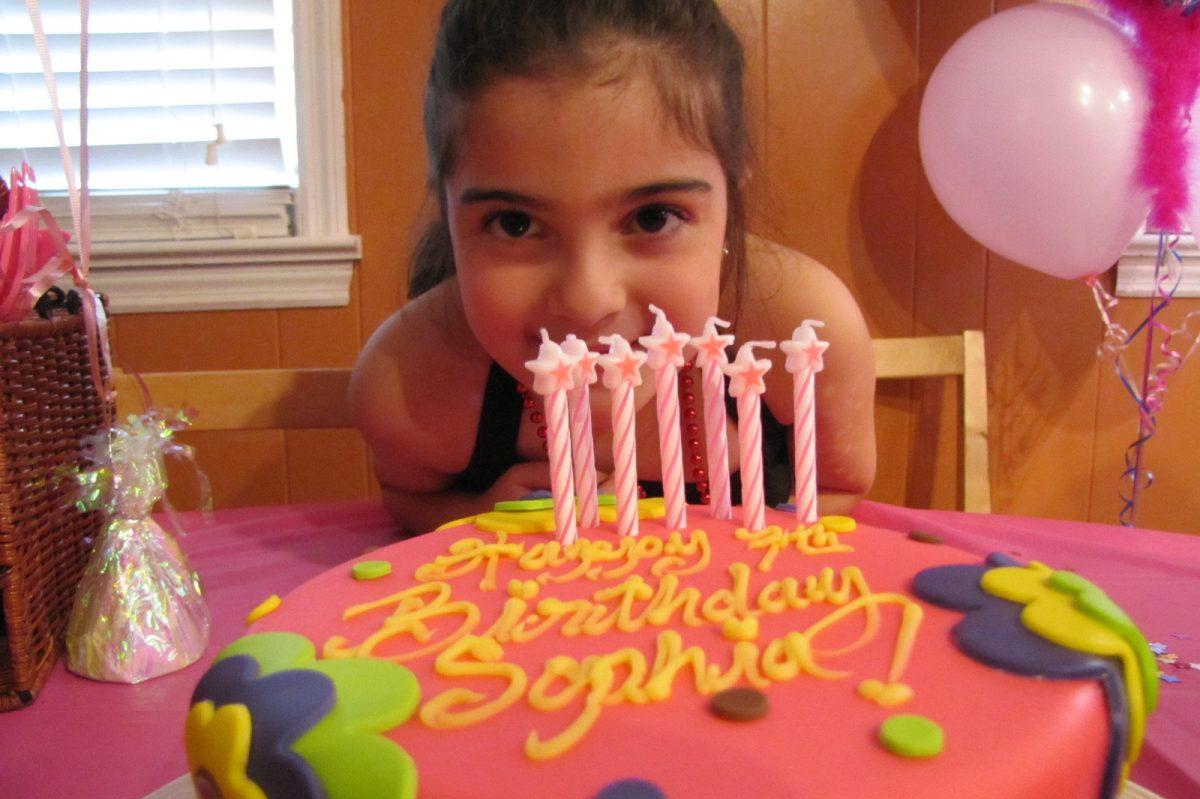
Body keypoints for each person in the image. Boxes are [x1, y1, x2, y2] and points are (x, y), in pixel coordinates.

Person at [350, 0, 877, 536]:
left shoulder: (801, 331)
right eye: (514, 223)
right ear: (446, 205)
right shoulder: (409, 380)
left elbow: (840, 485)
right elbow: (407, 496)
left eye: (652, 218)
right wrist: (479, 517)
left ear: (731, 184)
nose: (588, 298)